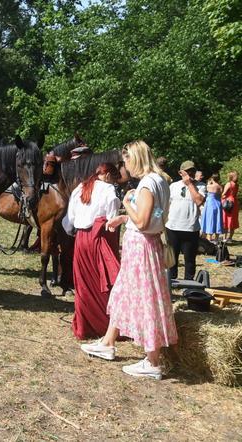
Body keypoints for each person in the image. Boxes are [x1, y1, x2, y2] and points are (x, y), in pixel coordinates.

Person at [81, 140, 176, 380]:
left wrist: (125, 204)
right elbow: (154, 217)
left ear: (136, 158)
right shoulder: (160, 181)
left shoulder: (146, 184)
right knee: (124, 293)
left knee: (145, 299)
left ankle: (152, 361)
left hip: (141, 248)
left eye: (126, 161)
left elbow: (144, 222)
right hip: (147, 244)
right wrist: (125, 219)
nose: (125, 167)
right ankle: (107, 342)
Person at [62, 163, 121, 340]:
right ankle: (103, 324)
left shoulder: (80, 187)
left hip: (80, 239)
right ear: (109, 175)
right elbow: (112, 218)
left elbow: (69, 220)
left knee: (83, 284)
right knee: (102, 281)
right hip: (98, 237)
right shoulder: (109, 189)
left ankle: (84, 326)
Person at [164, 160, 206, 280]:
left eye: (192, 170)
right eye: (187, 171)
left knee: (190, 260)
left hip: (191, 228)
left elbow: (199, 201)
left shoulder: (201, 186)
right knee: (172, 259)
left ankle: (189, 284)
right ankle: (171, 282)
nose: (190, 173)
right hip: (172, 227)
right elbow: (166, 205)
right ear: (180, 172)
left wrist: (190, 185)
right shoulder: (173, 186)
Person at [201, 173, 223, 242]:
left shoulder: (209, 186)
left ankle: (209, 238)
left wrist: (210, 182)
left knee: (209, 219)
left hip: (210, 204)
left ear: (212, 178)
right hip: (218, 204)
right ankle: (216, 238)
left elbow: (207, 190)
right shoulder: (220, 186)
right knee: (217, 220)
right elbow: (221, 194)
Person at [222, 171, 239, 242]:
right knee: (233, 220)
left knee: (226, 219)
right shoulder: (236, 184)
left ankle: (225, 237)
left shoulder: (229, 184)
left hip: (228, 202)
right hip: (234, 202)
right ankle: (230, 237)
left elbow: (224, 193)